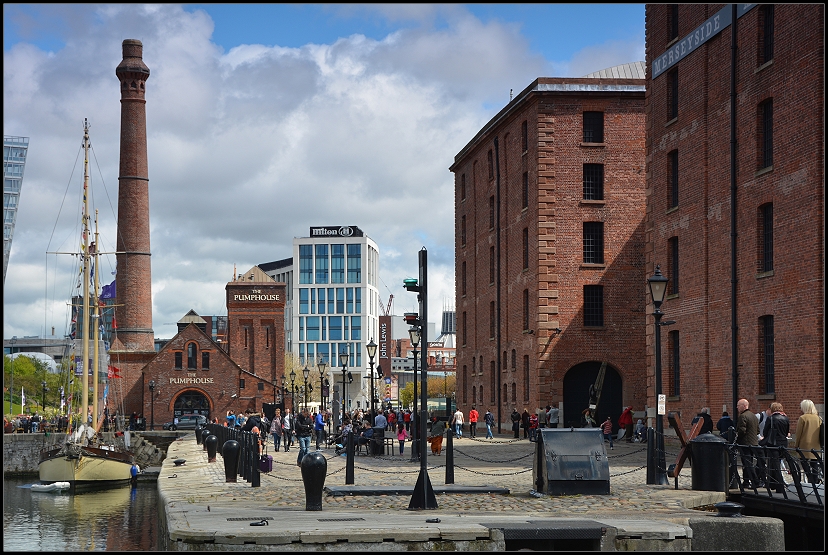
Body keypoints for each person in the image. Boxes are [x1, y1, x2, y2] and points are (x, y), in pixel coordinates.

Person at [761, 402, 790, 493]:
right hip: (783, 443)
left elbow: (765, 432)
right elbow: (786, 432)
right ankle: (773, 484)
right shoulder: (786, 418)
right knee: (777, 464)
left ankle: (779, 486)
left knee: (775, 465)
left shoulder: (771, 418)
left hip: (773, 444)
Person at [793, 399, 823, 484]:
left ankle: (810, 479)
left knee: (804, 462)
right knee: (814, 463)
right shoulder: (818, 418)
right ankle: (815, 480)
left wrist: (796, 444)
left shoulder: (803, 418)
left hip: (804, 444)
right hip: (816, 444)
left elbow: (798, 433)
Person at [735, 398, 761, 489]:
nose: (737, 407)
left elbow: (742, 430)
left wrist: (737, 438)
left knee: (747, 463)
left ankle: (755, 481)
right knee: (747, 462)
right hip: (753, 443)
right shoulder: (753, 416)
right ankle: (746, 482)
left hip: (745, 443)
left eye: (738, 405)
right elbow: (758, 430)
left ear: (744, 406)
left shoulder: (743, 416)